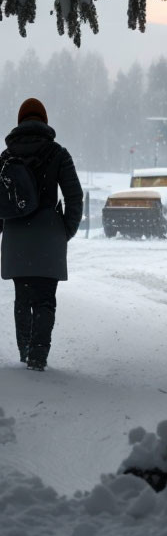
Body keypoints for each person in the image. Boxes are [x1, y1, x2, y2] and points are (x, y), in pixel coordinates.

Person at [0, 98, 82, 371]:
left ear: (20, 121)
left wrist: (4, 230)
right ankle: (38, 356)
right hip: (49, 236)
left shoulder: (6, 157)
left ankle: (24, 350)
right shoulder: (58, 154)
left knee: (22, 298)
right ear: (44, 120)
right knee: (45, 299)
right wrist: (64, 230)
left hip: (16, 237)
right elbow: (74, 196)